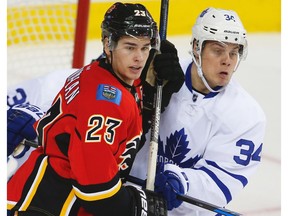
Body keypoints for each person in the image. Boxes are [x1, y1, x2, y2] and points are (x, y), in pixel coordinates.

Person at [7, 2, 185, 215]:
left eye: (145, 47)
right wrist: (136, 205)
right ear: (108, 43)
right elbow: (95, 191)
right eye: (130, 47)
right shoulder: (105, 103)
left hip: (45, 197)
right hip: (49, 207)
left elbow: (120, 141)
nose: (139, 58)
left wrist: (153, 100)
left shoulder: (107, 77)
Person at [129, 7, 266, 216]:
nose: (227, 60)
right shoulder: (161, 75)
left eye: (234, 52)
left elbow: (221, 181)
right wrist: (141, 93)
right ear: (196, 47)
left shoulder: (247, 115)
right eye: (218, 50)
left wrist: (181, 182)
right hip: (129, 197)